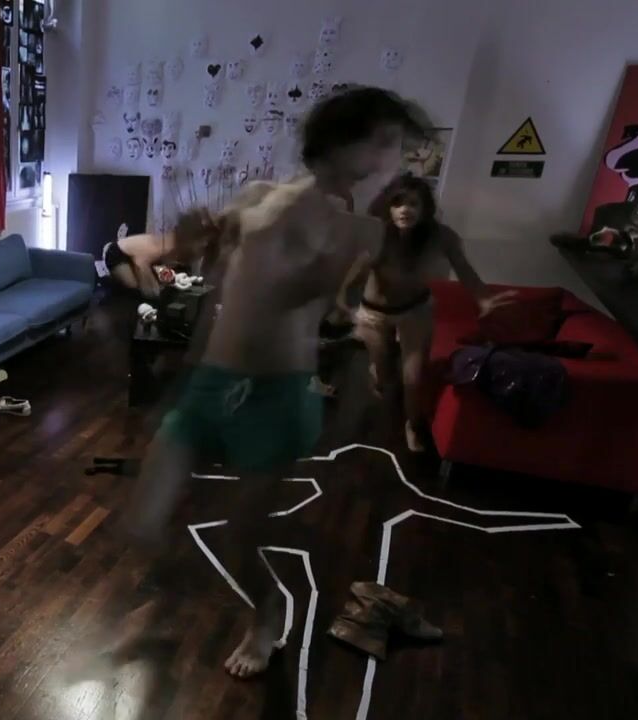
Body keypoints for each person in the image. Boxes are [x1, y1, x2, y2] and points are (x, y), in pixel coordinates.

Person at [120, 86, 425, 679]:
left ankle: (267, 616)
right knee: (144, 519)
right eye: (384, 142)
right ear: (340, 139)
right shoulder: (256, 197)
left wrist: (333, 286)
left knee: (241, 538)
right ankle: (176, 604)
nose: (393, 158)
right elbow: (211, 279)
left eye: (396, 147)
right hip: (213, 381)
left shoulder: (360, 233)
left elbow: (318, 307)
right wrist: (189, 244)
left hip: (277, 396)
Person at [337, 174, 515, 452]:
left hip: (415, 309)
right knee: (384, 379)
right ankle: (380, 372)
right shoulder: (376, 235)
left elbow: (464, 269)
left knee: (413, 377)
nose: (405, 209)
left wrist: (483, 298)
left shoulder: (441, 236)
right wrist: (345, 307)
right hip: (374, 314)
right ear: (388, 207)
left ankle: (414, 425)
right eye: (398, 203)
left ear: (424, 209)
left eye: (413, 204)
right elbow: (350, 280)